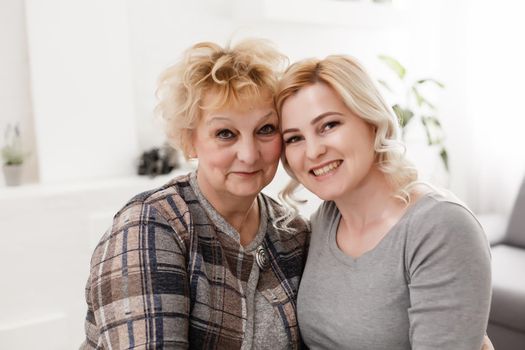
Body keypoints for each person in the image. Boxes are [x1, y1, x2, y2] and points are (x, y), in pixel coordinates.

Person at [80, 39, 309, 349]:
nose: (249, 154)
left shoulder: (292, 232)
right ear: (190, 141)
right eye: (225, 133)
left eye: (265, 129)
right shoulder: (152, 225)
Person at [275, 55, 492, 349]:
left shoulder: (440, 227)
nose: (313, 151)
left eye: (328, 125)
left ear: (371, 120)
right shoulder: (325, 220)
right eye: (294, 138)